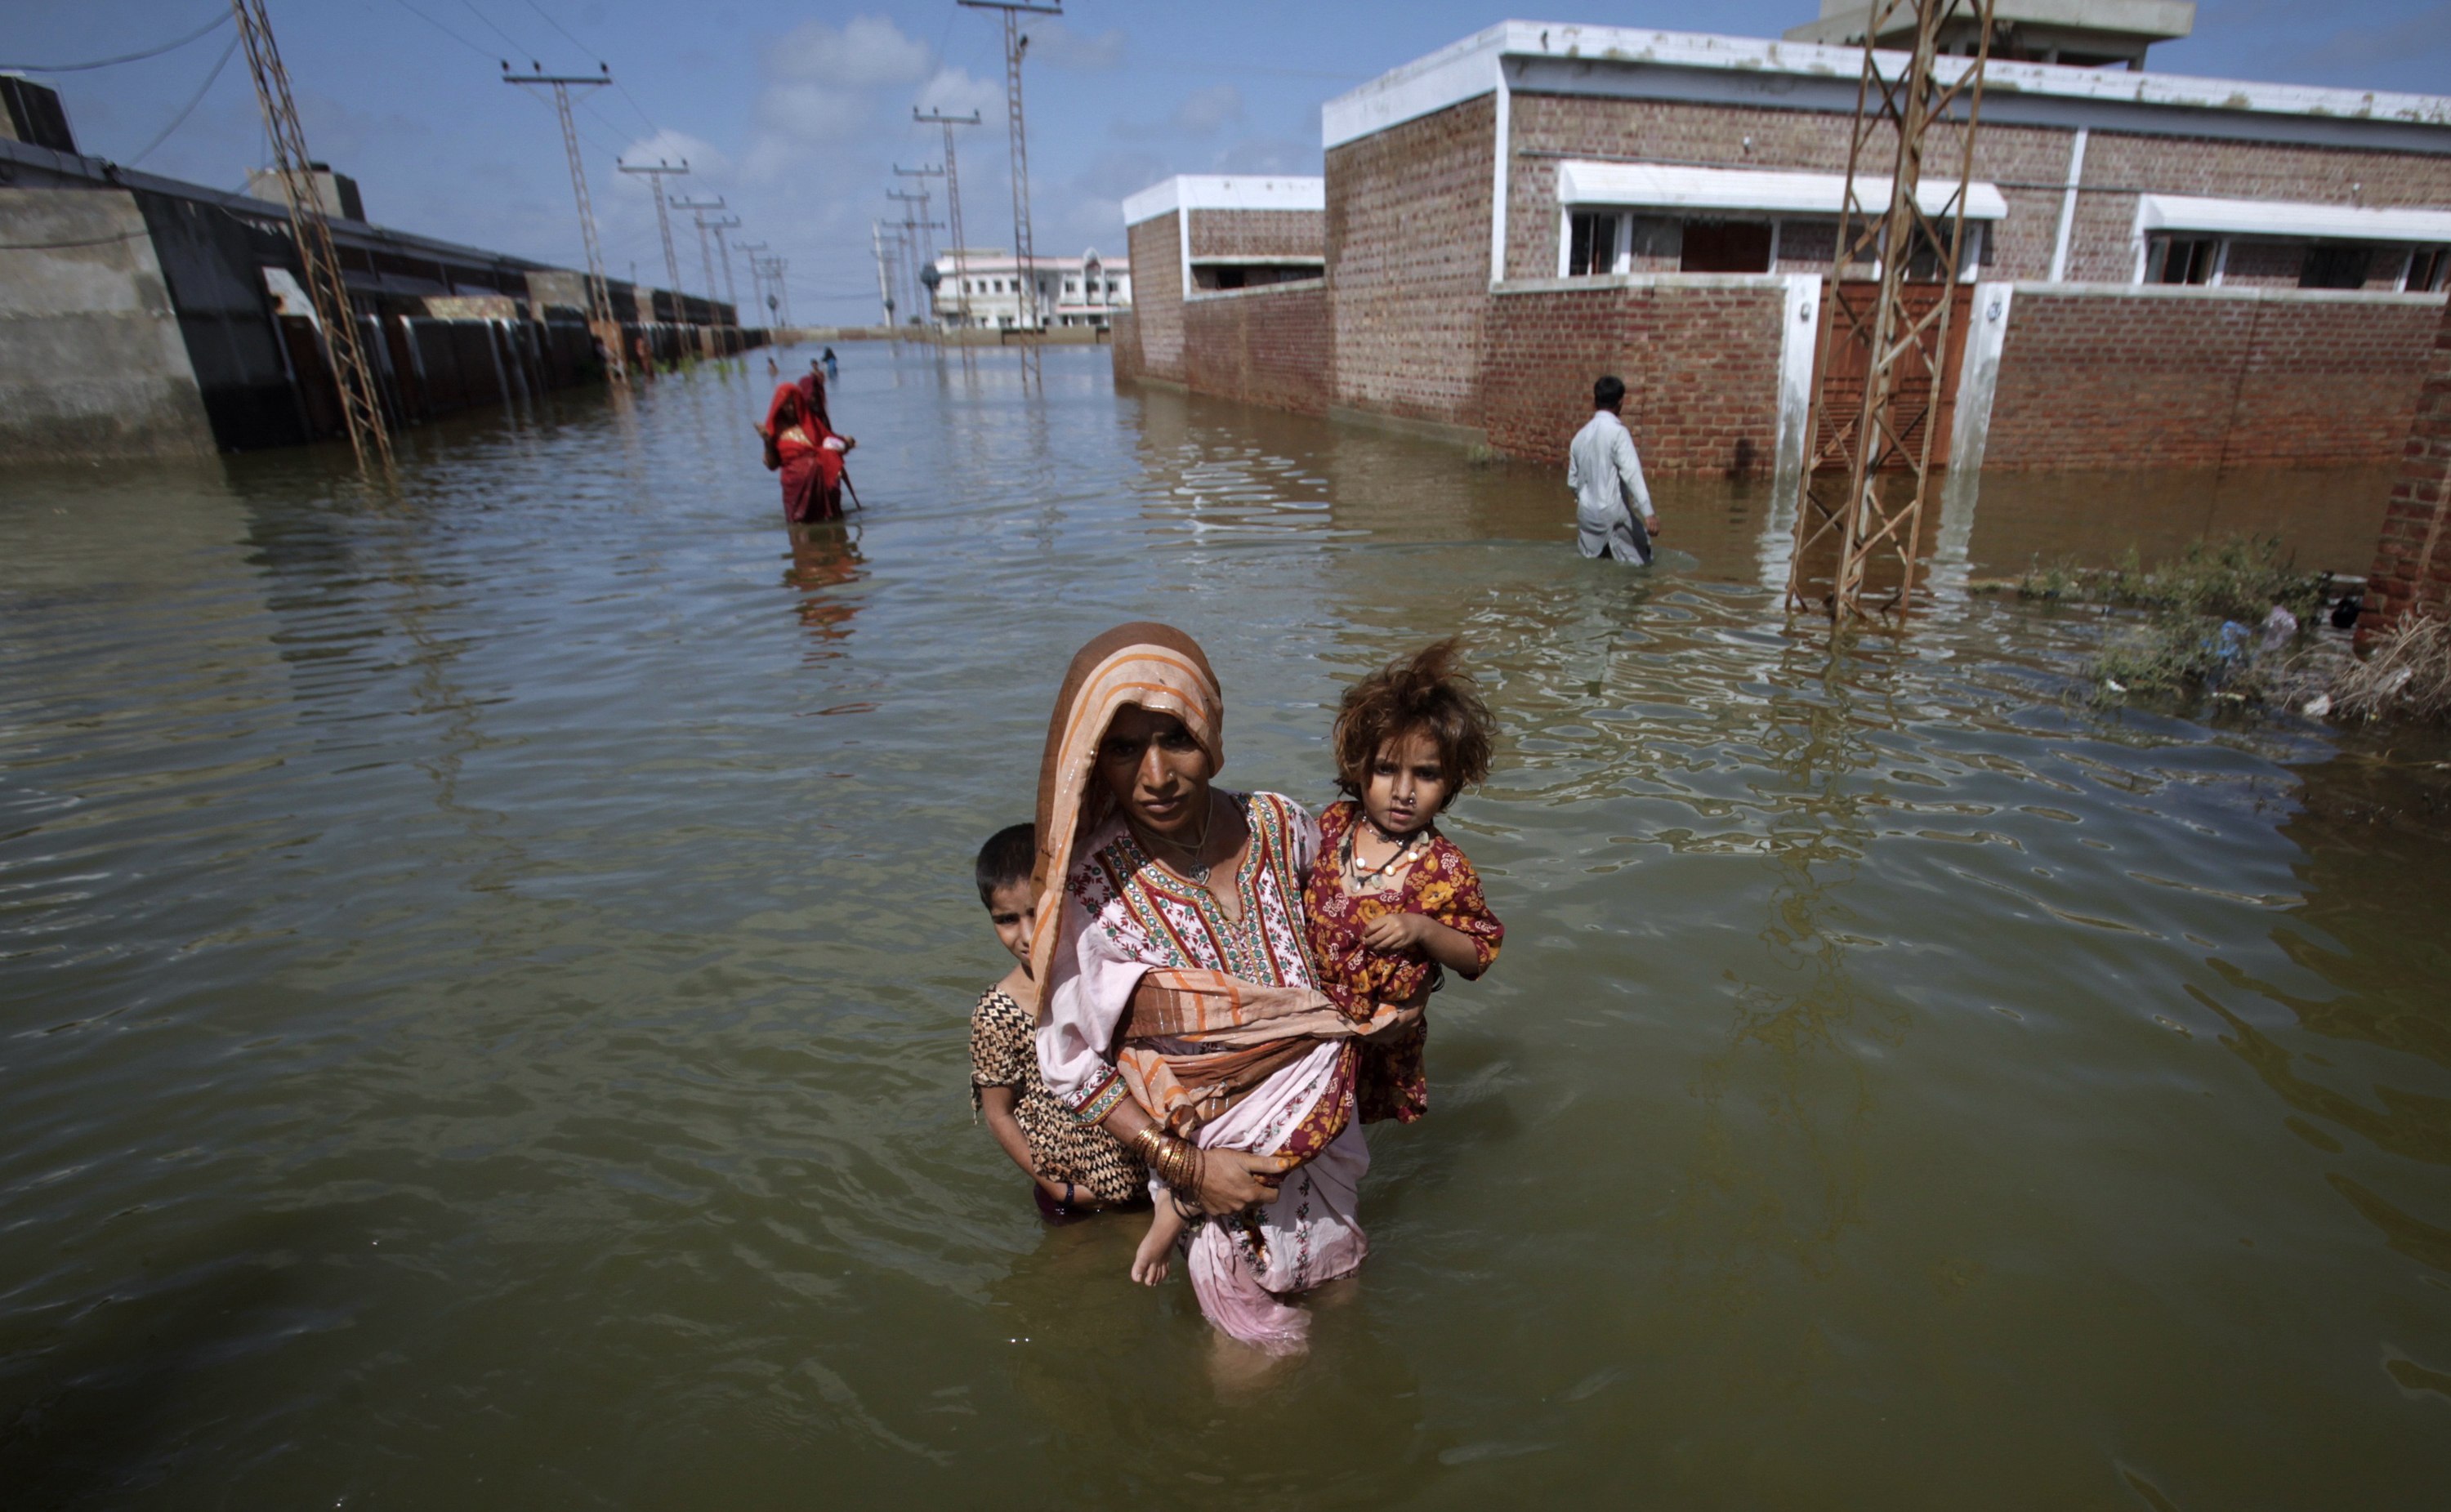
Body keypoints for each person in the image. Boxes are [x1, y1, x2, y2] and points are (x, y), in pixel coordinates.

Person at [1032, 623, 1413, 1354]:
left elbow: (1343, 946)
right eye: (1122, 747)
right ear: (1092, 762)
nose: (1155, 775)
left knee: (1344, 1297)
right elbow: (1073, 1062)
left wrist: (1403, 997)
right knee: (1246, 1360)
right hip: (1212, 1170)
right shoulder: (1089, 885)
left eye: (1175, 736)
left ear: (1211, 729)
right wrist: (1191, 1170)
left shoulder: (1279, 824)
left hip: (1325, 1136)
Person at [1300, 639, 1504, 1126]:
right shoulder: (1332, 825)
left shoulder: (1446, 868)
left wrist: (1423, 930)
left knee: (1343, 1135)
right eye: (1386, 769)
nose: (1404, 792)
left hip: (1381, 1035)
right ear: (1358, 768)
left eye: (1427, 774)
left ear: (1452, 782)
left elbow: (1478, 952)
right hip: (1313, 1021)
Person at [968, 823, 1148, 1220]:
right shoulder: (998, 1011)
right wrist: (1059, 1189)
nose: (1027, 935)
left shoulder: (1110, 979)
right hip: (1070, 1186)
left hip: (1146, 1173)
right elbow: (998, 1113)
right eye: (1007, 919)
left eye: (1037, 912)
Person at [1568, 374, 1662, 565]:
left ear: (1595, 401)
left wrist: (1586, 499)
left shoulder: (1580, 436)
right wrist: (1648, 512)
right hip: (1613, 515)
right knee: (1643, 565)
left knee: (1595, 568)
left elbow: (1572, 482)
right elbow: (1632, 473)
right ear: (1620, 403)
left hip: (1586, 516)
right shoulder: (1618, 433)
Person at [757, 376, 853, 523]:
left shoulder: (812, 424)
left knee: (833, 535)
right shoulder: (775, 432)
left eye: (793, 403)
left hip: (822, 490)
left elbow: (832, 442)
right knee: (800, 535)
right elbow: (772, 465)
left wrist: (846, 443)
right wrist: (767, 442)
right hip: (795, 492)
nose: (790, 408)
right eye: (786, 404)